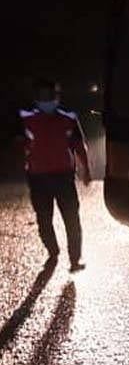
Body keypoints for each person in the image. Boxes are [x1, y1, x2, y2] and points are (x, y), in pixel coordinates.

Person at [18, 79, 92, 271]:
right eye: (42, 96)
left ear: (56, 96)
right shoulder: (24, 118)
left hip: (63, 176)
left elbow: (79, 144)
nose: (46, 100)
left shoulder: (68, 117)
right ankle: (53, 251)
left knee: (71, 219)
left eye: (49, 95)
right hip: (38, 178)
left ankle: (75, 259)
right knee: (44, 219)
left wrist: (86, 169)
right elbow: (17, 142)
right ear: (36, 97)